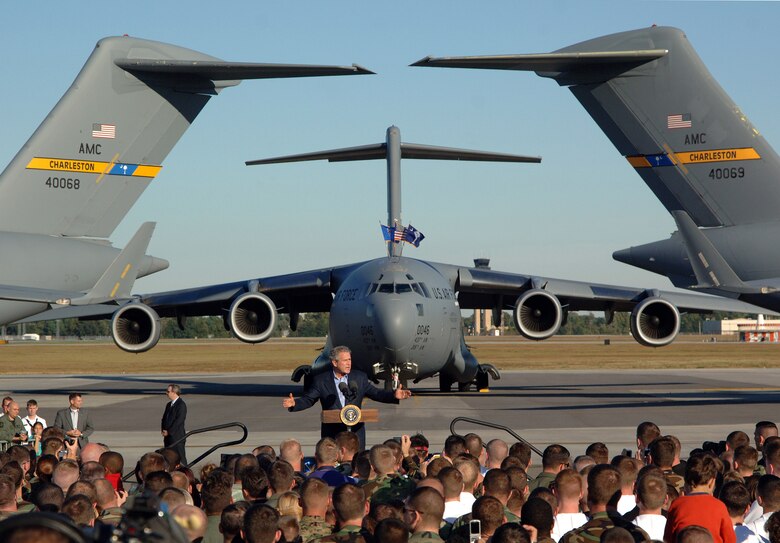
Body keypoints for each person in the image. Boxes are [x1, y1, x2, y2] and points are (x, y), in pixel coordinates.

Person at [282, 345, 411, 448]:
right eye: (345, 360)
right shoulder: (321, 380)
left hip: (356, 434)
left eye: (349, 359)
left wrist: (394, 395)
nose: (349, 363)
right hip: (332, 434)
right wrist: (295, 404)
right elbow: (308, 399)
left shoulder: (359, 378)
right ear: (335, 362)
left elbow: (376, 393)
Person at [162, 384, 188, 466]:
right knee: (169, 459)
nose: (166, 393)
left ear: (174, 392)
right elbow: (164, 419)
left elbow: (179, 421)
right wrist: (163, 429)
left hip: (177, 438)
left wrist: (169, 432)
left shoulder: (181, 405)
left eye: (168, 391)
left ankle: (186, 474)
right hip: (168, 437)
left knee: (181, 459)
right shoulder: (169, 405)